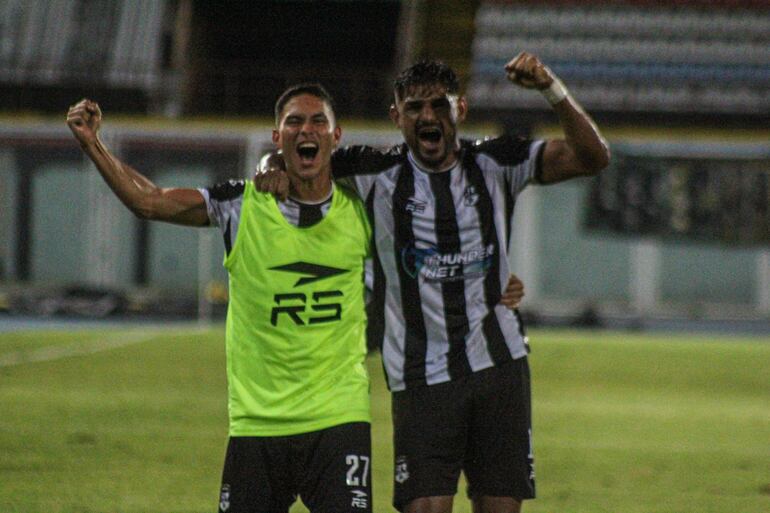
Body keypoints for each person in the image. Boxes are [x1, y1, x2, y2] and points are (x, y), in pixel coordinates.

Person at [255, 52, 609, 513]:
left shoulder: (496, 161)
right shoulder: (373, 172)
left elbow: (593, 156)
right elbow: (299, 160)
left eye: (439, 105)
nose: (428, 116)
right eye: (415, 108)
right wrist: (268, 166)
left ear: (459, 110)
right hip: (421, 376)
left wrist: (550, 88)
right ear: (396, 117)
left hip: (499, 366)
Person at [66, 84, 375, 513]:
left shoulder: (364, 210)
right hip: (257, 423)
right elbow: (150, 201)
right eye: (295, 121)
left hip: (339, 419)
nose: (307, 129)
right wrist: (92, 143)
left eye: (318, 120)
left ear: (336, 136)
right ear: (277, 136)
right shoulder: (241, 206)